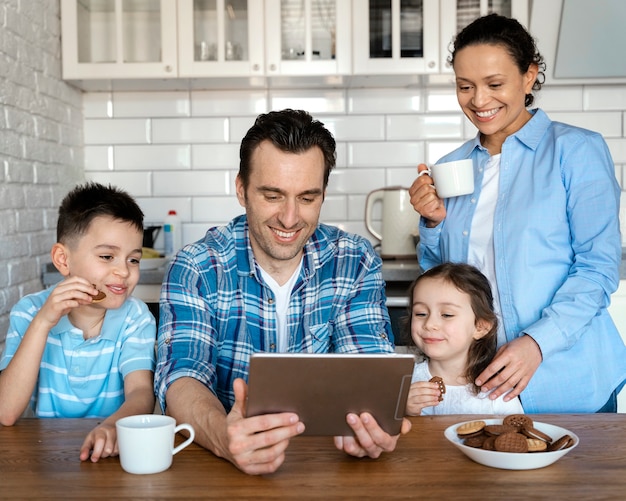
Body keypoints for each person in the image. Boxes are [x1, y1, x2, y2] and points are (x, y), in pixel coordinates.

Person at [154, 109, 410, 475]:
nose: (290, 219)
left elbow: (368, 365)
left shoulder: (355, 261)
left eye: (307, 198)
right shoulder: (196, 267)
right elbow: (182, 374)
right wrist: (223, 435)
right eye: (273, 196)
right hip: (222, 470)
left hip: (326, 469)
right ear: (241, 189)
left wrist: (370, 423)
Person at [409, 14, 626, 413]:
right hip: (480, 387)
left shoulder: (576, 151)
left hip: (568, 380)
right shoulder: (452, 167)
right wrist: (434, 223)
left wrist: (537, 343)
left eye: (494, 84)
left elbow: (598, 266)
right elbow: (442, 280)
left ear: (529, 77)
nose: (478, 100)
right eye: (465, 86)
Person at [0, 182, 156, 462]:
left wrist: (112, 426)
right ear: (63, 259)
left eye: (133, 259)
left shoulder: (136, 318)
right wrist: (43, 322)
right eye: (107, 256)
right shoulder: (29, 312)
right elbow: (6, 412)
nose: (123, 271)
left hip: (110, 453)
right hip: (45, 455)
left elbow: (141, 392)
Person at [404, 262, 524, 415]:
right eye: (420, 313)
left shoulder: (497, 390)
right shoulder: (405, 381)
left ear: (480, 327)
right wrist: (405, 411)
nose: (430, 324)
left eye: (447, 314)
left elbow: (517, 435)